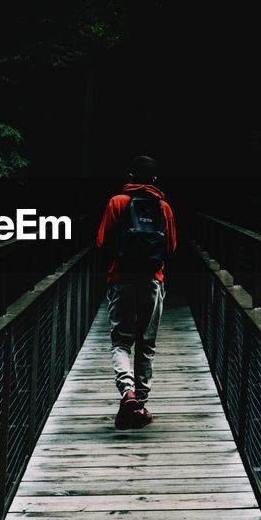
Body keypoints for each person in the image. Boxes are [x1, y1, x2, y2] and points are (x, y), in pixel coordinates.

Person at [95, 155, 178, 429]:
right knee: (146, 343)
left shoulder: (117, 202)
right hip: (153, 280)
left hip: (121, 279)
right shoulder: (163, 207)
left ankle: (127, 393)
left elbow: (102, 242)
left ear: (130, 178)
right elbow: (172, 248)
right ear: (154, 180)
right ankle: (139, 404)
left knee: (121, 341)